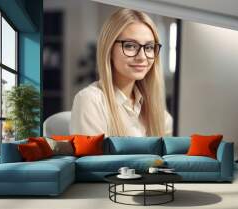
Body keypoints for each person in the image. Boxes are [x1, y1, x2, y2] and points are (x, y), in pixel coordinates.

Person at [70, 8, 172, 137]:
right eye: (130, 45)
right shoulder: (90, 101)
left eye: (149, 47)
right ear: (109, 49)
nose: (142, 57)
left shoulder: (156, 110)